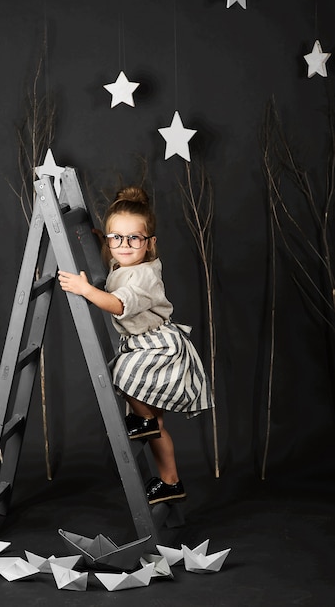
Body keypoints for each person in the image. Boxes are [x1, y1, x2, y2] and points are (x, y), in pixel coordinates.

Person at [58, 186, 212, 504]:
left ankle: (141, 420)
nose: (124, 245)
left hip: (159, 348)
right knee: (155, 426)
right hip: (145, 344)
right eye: (117, 238)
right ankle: (171, 481)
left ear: (150, 243)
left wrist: (84, 289)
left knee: (120, 371)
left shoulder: (144, 276)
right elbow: (114, 259)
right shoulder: (123, 261)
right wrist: (100, 240)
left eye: (134, 239)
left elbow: (117, 304)